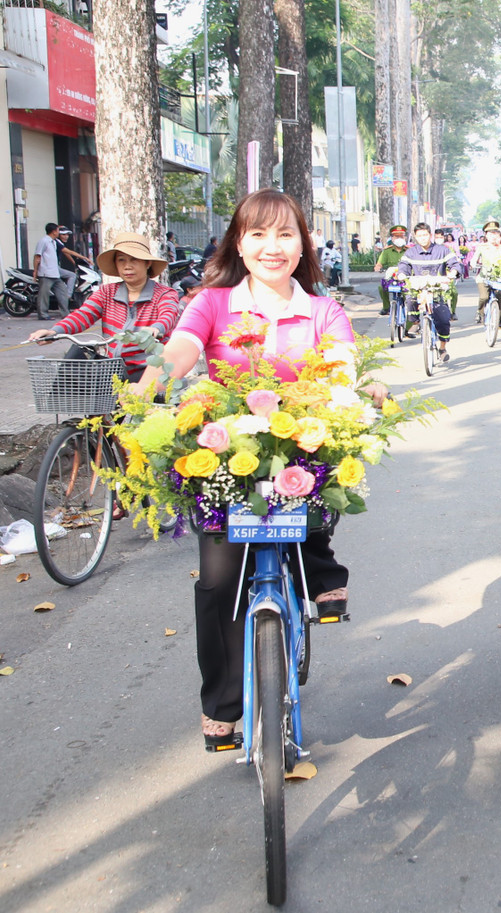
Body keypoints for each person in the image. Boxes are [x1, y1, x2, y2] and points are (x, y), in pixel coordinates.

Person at [135, 189, 386, 748]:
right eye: (258, 234)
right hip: (225, 451)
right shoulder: (212, 303)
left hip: (300, 447)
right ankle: (223, 704)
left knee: (315, 499)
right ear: (238, 244)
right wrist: (148, 385)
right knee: (219, 582)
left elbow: (342, 364)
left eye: (285, 234)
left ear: (303, 245)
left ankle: (320, 573)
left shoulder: (324, 310)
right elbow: (178, 351)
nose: (272, 247)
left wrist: (363, 387)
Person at [27, 232, 179, 382]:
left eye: (134, 260)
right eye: (121, 260)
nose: (127, 266)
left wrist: (156, 328)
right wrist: (54, 332)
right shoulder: (107, 292)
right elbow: (83, 315)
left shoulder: (164, 294)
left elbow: (168, 315)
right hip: (113, 371)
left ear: (147, 263)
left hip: (151, 373)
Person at [397, 221, 462, 360]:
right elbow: (403, 265)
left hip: (437, 290)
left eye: (425, 235)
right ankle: (415, 323)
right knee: (410, 299)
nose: (423, 238)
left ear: (430, 235)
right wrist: (402, 274)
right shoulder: (411, 252)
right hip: (418, 288)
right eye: (419, 236)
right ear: (415, 236)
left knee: (443, 320)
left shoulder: (442, 250)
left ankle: (442, 348)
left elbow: (455, 264)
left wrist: (453, 272)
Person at [469, 219, 501, 327]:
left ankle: (500, 320)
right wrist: (473, 263)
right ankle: (480, 312)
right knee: (484, 296)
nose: (493, 236)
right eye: (491, 233)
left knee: (499, 296)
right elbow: (474, 259)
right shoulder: (482, 247)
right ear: (486, 235)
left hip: (498, 277)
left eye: (496, 233)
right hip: (484, 277)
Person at [32, 223, 71, 320]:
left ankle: (66, 314)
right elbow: (37, 256)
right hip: (45, 273)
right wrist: (35, 271)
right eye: (58, 230)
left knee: (63, 292)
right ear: (54, 232)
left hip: (55, 273)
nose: (59, 232)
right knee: (44, 296)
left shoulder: (53, 242)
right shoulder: (43, 241)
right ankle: (43, 315)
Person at [373, 224, 410, 315]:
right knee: (381, 288)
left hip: (406, 277)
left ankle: (410, 311)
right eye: (397, 236)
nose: (399, 238)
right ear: (392, 238)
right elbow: (379, 263)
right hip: (392, 278)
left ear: (405, 237)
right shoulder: (387, 251)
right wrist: (378, 267)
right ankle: (386, 307)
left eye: (401, 236)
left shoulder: (409, 250)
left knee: (409, 291)